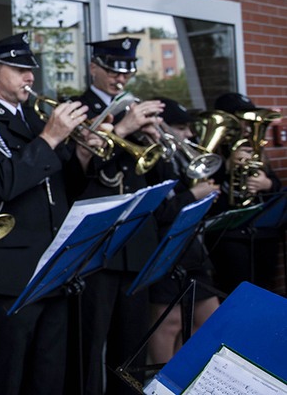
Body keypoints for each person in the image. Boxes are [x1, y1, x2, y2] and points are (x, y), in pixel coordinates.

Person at [0, 33, 91, 395]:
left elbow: (66, 187)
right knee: (3, 378)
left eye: (30, 69)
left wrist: (82, 154)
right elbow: (0, 183)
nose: (30, 77)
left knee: (48, 376)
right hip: (8, 277)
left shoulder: (34, 119)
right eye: (18, 69)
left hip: (52, 268)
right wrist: (50, 138)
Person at [63, 37, 164, 395]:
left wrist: (155, 140)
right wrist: (121, 131)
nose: (121, 79)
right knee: (89, 348)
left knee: (132, 349)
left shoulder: (133, 109)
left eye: (126, 72)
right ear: (94, 67)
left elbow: (158, 176)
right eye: (112, 71)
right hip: (97, 249)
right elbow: (72, 179)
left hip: (136, 245)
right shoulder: (75, 109)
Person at [142, 98, 220, 365]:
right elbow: (157, 212)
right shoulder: (153, 155)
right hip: (163, 247)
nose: (189, 135)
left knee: (210, 317)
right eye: (181, 128)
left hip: (190, 247)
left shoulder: (182, 157)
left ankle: (191, 374)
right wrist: (194, 195)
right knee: (169, 321)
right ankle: (163, 380)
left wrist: (203, 197)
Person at [205, 92, 283, 295]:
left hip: (262, 232)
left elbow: (276, 185)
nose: (248, 126)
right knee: (236, 290)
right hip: (228, 235)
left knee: (264, 289)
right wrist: (227, 167)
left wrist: (266, 183)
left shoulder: (252, 147)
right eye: (243, 119)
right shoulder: (211, 148)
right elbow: (202, 188)